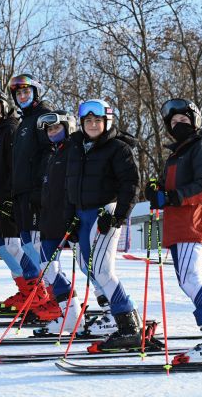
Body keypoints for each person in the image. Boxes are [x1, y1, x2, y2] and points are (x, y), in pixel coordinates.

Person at [144, 98, 202, 363]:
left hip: (192, 222)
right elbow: (166, 185)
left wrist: (172, 197)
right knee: (189, 280)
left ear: (194, 122)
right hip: (179, 225)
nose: (178, 125)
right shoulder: (179, 152)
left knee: (190, 280)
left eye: (183, 120)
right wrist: (155, 188)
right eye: (173, 122)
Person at [63, 99, 140, 349]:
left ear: (107, 122)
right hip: (82, 214)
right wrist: (71, 217)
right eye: (88, 121)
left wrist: (117, 215)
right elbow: (69, 184)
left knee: (103, 270)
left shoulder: (118, 148)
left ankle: (128, 324)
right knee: (88, 267)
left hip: (105, 213)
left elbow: (130, 184)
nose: (93, 125)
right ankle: (117, 315)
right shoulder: (76, 147)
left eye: (97, 121)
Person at [0, 86, 34, 311]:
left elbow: (16, 168)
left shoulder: (11, 130)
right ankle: (25, 288)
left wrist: (12, 198)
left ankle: (36, 290)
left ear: (4, 107)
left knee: (12, 245)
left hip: (10, 201)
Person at [32, 111, 85, 332]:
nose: (53, 133)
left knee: (89, 267)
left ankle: (115, 313)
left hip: (70, 220)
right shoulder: (55, 153)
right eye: (49, 130)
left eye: (57, 128)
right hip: (51, 221)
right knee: (47, 267)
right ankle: (70, 315)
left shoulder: (75, 150)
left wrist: (73, 215)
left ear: (68, 127)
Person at [8, 74, 53, 309]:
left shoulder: (43, 118)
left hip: (36, 192)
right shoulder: (24, 122)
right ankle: (42, 296)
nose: (22, 97)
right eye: (18, 94)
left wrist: (42, 187)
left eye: (26, 92)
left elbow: (50, 153)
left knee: (36, 246)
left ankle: (57, 296)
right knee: (26, 244)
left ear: (36, 93)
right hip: (22, 192)